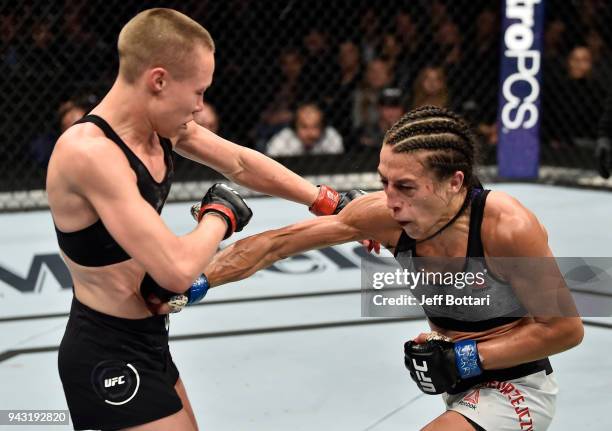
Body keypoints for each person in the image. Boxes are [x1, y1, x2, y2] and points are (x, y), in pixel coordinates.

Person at [176, 106, 584, 430]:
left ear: (455, 182)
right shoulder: (384, 215)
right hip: (457, 387)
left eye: (405, 186)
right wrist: (193, 280)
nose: (389, 200)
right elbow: (276, 244)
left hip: (518, 386)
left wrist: (465, 357)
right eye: (384, 181)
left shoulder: (507, 227)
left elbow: (564, 329)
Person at [46, 8, 355, 431]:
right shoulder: (90, 153)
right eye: (197, 91)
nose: (200, 106)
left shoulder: (158, 127)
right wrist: (219, 215)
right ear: (158, 81)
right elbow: (175, 270)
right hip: (106, 351)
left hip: (146, 340)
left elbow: (240, 163)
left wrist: (325, 199)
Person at [265, 103, 343, 156]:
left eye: (315, 126)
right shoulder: (282, 140)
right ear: (295, 127)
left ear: (323, 126)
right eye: (304, 127)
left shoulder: (331, 136)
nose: (310, 133)